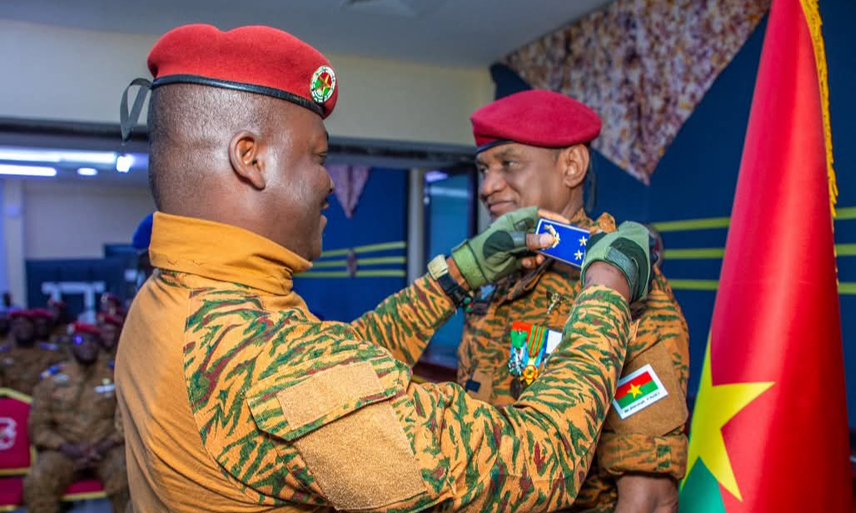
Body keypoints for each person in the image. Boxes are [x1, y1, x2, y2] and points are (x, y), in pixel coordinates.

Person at [117, 24, 656, 512]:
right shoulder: (268, 360)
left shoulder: (168, 301)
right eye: (319, 157)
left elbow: (349, 357)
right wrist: (607, 289)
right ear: (250, 158)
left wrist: (455, 277)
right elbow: (540, 462)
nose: (328, 181)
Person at [456, 90, 690, 513]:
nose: (488, 186)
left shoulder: (623, 289)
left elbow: (650, 497)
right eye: (484, 169)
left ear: (572, 166)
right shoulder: (498, 284)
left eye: (508, 163)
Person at [24, 322, 128, 513]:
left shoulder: (116, 375)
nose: (87, 345)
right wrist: (66, 447)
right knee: (38, 481)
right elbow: (38, 426)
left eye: (92, 340)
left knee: (128, 477)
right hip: (64, 451)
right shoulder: (52, 380)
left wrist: (105, 445)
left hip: (107, 449)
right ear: (71, 344)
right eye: (81, 340)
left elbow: (126, 420)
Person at [0, 310, 66, 395]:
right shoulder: (2, 354)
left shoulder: (52, 353)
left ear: (34, 327)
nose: (22, 327)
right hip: (11, 403)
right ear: (12, 328)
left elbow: (62, 382)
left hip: (43, 401)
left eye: (26, 323)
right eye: (17, 324)